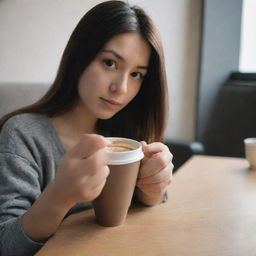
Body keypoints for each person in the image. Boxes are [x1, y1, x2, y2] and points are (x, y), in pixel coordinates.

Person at [0, 1, 173, 255]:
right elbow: (6, 245)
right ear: (79, 57)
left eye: (137, 74)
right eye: (110, 63)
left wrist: (153, 188)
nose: (121, 88)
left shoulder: (129, 131)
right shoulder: (22, 135)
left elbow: (145, 211)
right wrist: (59, 196)